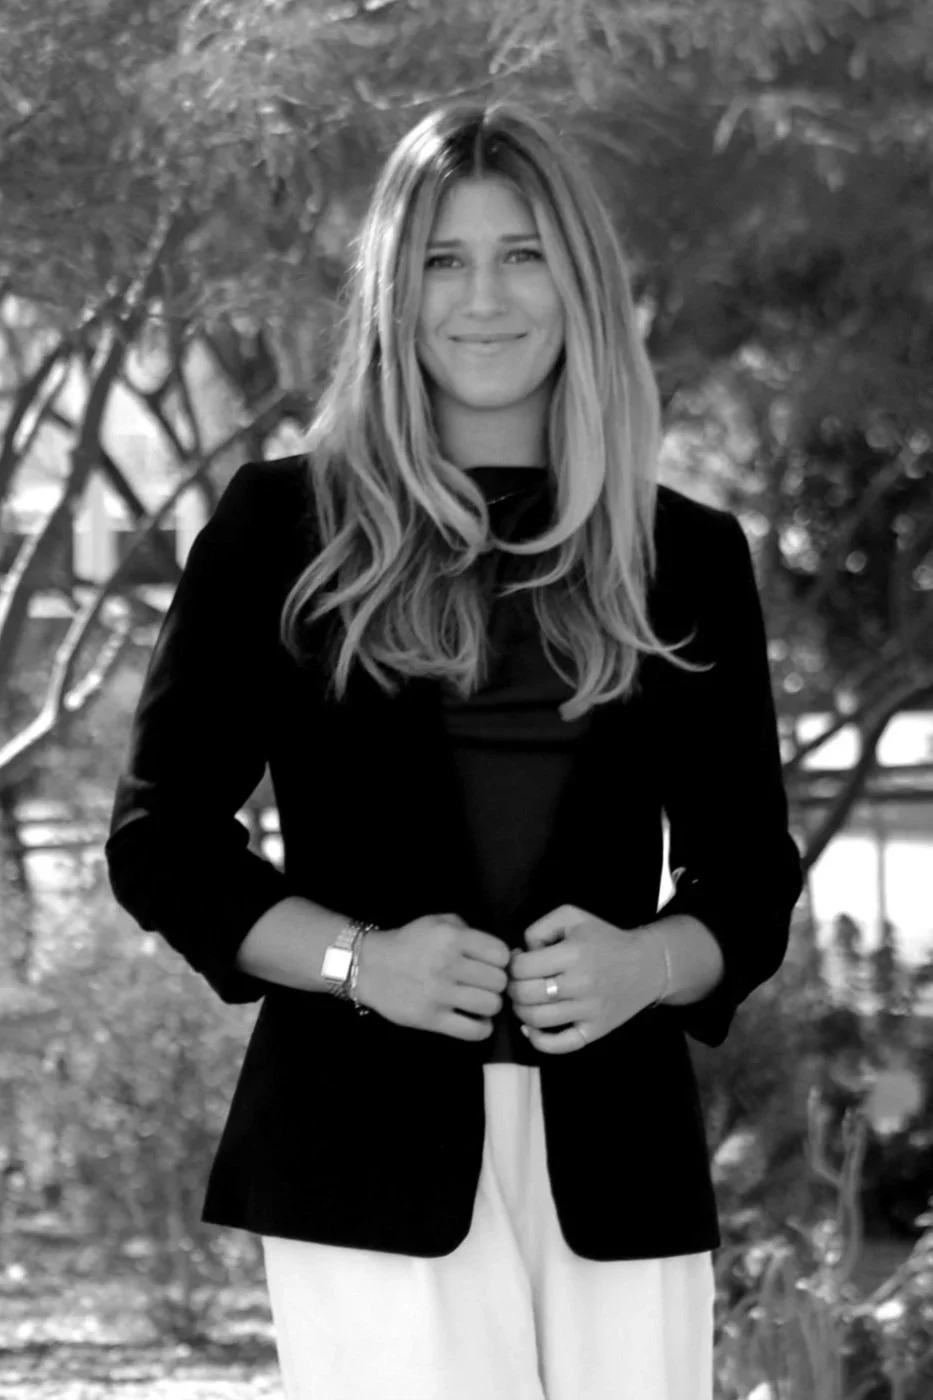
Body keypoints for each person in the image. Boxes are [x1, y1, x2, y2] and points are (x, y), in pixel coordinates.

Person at [105, 97, 804, 1400]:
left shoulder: (684, 555)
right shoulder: (279, 529)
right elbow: (164, 843)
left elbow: (749, 881)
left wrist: (645, 963)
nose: (483, 297)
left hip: (620, 1171)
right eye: (441, 259)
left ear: (581, 283)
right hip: (359, 1160)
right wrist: (359, 961)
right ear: (391, 293)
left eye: (522, 253)